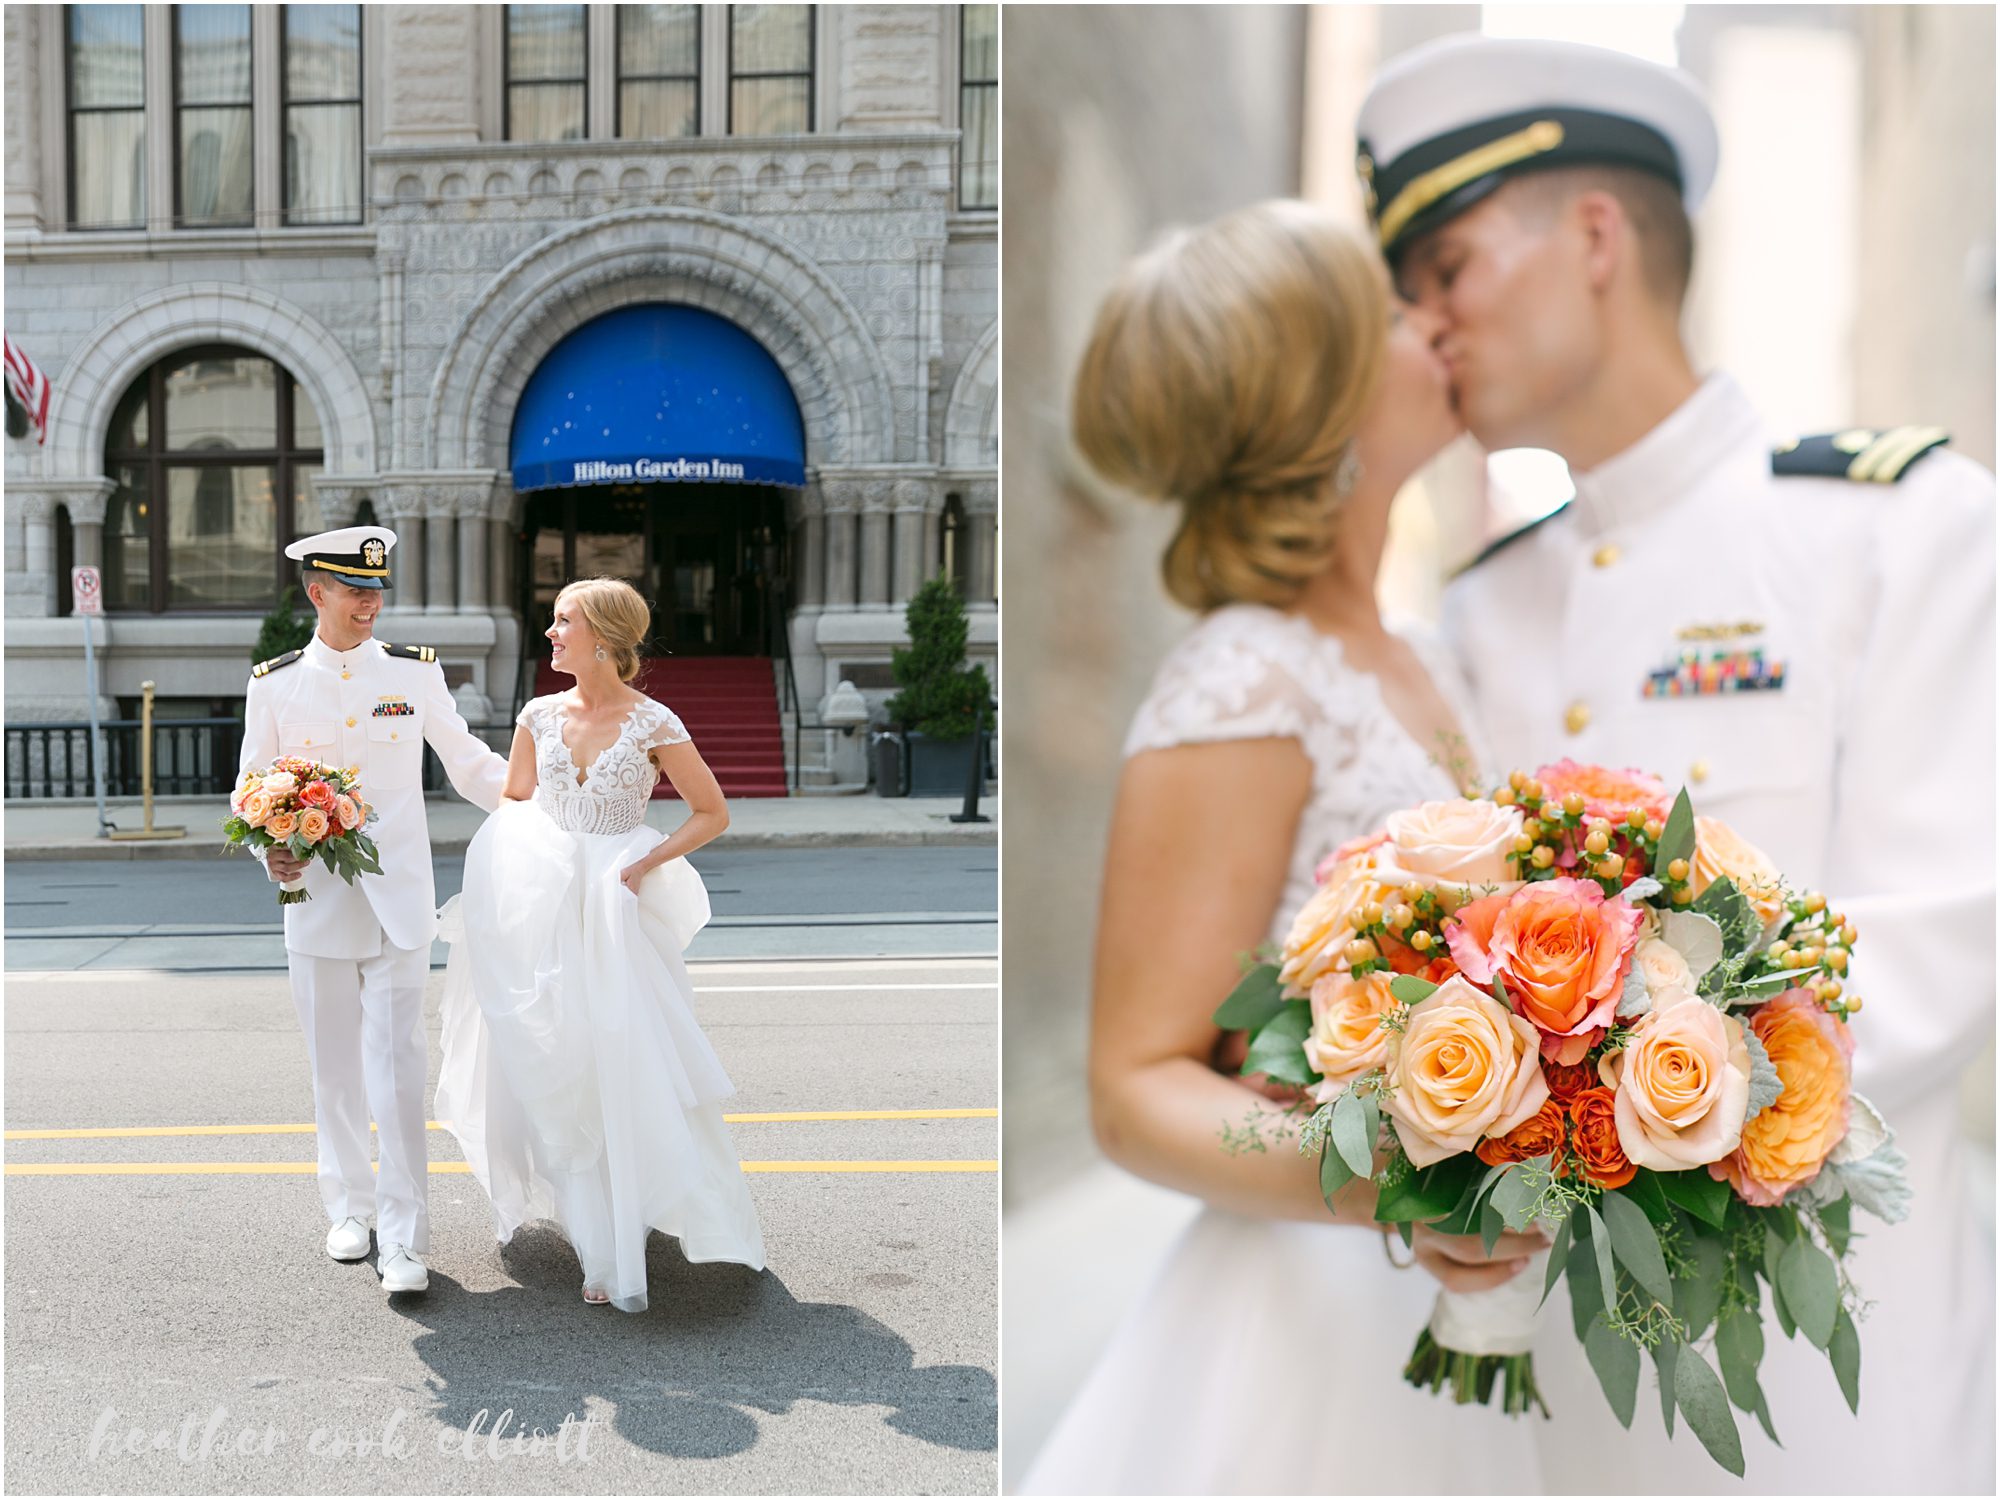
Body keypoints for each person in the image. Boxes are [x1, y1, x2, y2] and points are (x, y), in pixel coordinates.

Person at [1358, 33, 1995, 1494]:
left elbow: (1942, 946)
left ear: (1592, 237)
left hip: (1839, 1378)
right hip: (1560, 1382)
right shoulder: (1481, 602)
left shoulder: (1898, 527)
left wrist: (1568, 1091)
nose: (1427, 324)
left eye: (1448, 267)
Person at [1019, 201, 1546, 1494]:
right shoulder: (1244, 682)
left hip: (1449, 1318)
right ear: (1319, 399)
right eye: (1388, 307)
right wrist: (1392, 1183)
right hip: (1312, 1320)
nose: (1432, 316)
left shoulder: (1424, 652)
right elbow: (1136, 1088)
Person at [434, 576, 766, 1311]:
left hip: (615, 912)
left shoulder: (654, 723)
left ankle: (629, 1220)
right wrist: (528, 879)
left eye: (562, 622)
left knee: (622, 1056)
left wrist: (644, 862)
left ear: (605, 640)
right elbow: (515, 805)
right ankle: (594, 1232)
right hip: (546, 908)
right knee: (557, 1059)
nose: (550, 633)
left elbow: (711, 813)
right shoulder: (537, 714)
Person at [239, 525, 509, 1295]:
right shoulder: (277, 682)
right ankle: (349, 1210)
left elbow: (468, 764)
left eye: (376, 589)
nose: (370, 602)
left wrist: (544, 804)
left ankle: (405, 1239)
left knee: (397, 1073)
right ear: (317, 593)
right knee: (335, 1073)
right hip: (316, 901)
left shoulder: (414, 675)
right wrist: (271, 850)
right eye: (355, 590)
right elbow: (250, 784)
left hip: (399, 902)